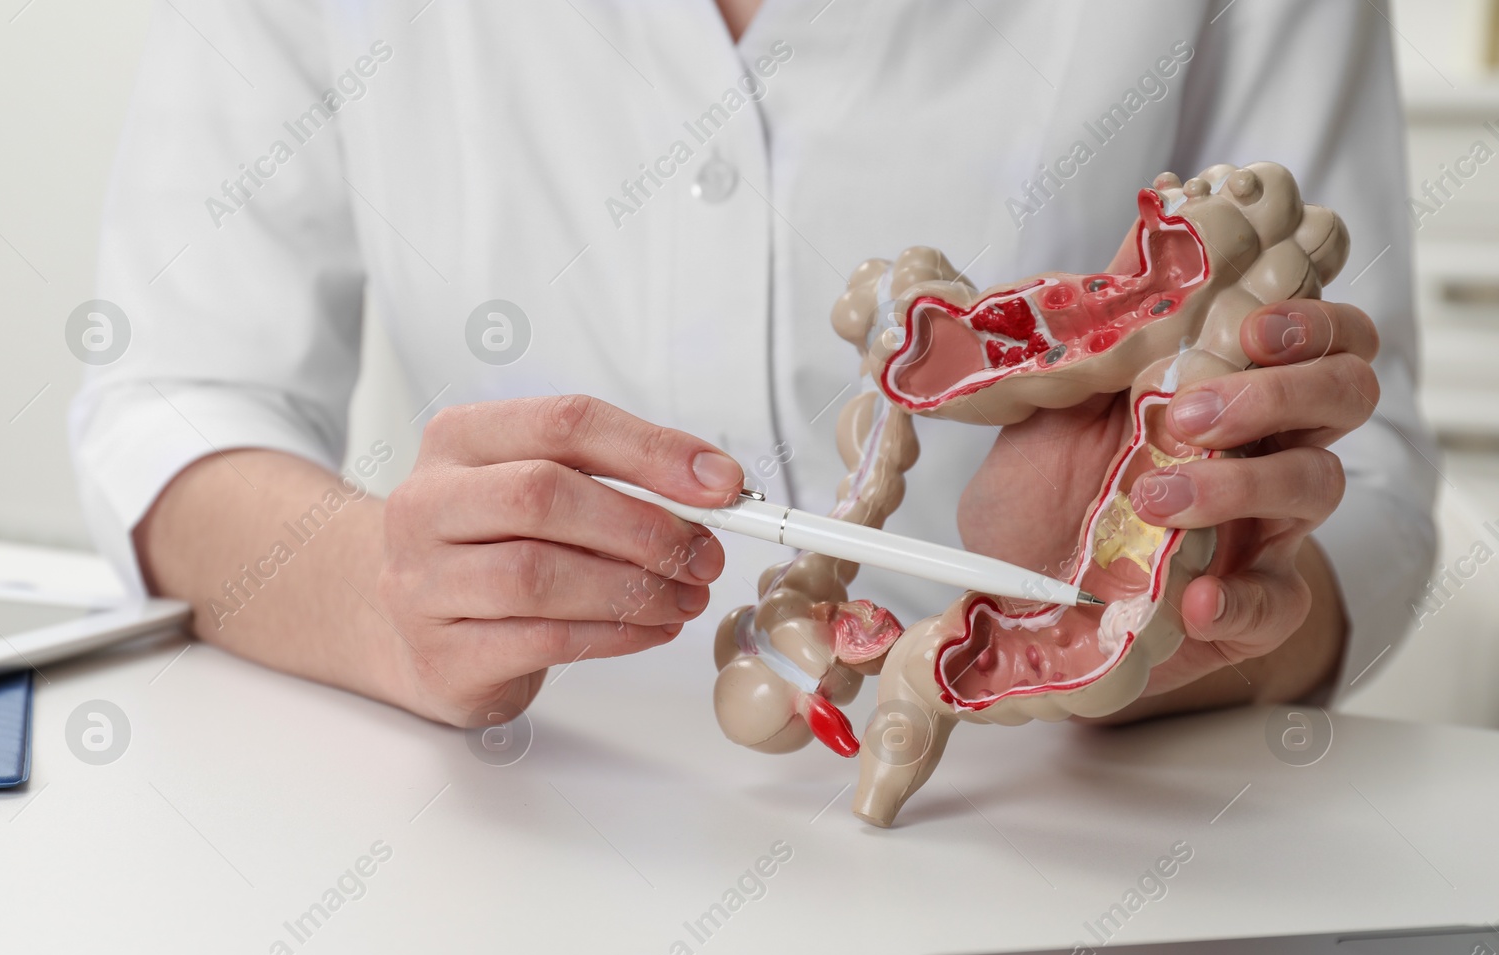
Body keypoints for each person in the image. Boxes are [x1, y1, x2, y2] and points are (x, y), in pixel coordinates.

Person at [71, 0, 1435, 729]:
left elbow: (1359, 483)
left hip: (1068, 866)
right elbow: (174, 397)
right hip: (508, 828)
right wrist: (374, 590)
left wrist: (1164, 609)